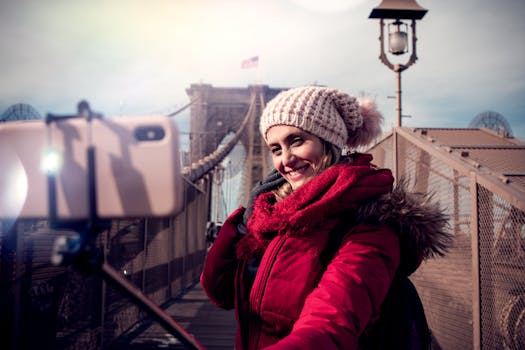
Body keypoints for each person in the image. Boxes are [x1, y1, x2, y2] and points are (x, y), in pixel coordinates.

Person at [200, 86, 450, 349]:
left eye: (297, 141)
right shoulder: (274, 216)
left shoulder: (372, 226)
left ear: (329, 142)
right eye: (275, 149)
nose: (286, 159)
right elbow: (222, 293)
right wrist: (244, 222)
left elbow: (328, 326)